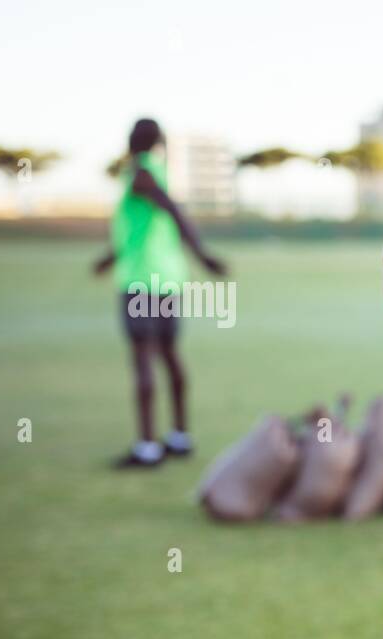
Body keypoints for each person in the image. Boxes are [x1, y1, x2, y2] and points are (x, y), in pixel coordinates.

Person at [93, 118, 225, 468]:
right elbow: (141, 230)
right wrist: (109, 257)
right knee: (168, 354)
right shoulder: (156, 171)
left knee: (143, 358)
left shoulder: (141, 174)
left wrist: (203, 253)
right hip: (166, 281)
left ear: (131, 141)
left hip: (141, 283)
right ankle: (180, 437)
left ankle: (147, 448)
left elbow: (174, 212)